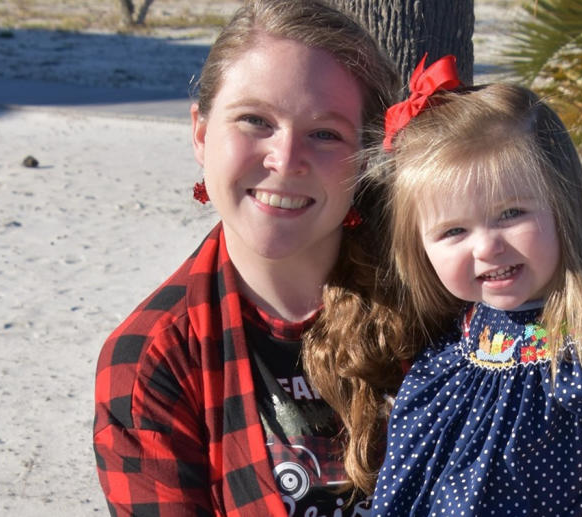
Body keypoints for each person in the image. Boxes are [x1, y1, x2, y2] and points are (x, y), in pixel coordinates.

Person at [312, 55, 582, 516]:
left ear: (561, 205)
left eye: (511, 214)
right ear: (420, 249)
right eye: (453, 232)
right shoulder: (448, 357)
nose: (487, 248)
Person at [92, 1, 400, 515]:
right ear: (200, 133)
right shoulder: (152, 361)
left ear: (365, 156)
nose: (285, 160)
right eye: (255, 120)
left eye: (325, 133)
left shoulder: (437, 301)